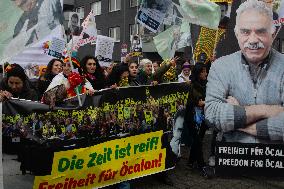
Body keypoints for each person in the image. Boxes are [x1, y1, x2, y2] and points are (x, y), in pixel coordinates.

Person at [205, 0, 284, 143]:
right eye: (245, 32)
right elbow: (212, 115)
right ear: (237, 34)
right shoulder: (220, 67)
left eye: (260, 31)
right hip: (233, 162)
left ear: (272, 35)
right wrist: (266, 111)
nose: (253, 40)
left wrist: (238, 118)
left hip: (276, 162)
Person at [184, 63, 208, 169]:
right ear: (198, 73)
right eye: (203, 71)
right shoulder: (192, 85)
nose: (205, 73)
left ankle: (190, 162)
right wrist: (207, 101)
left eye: (206, 71)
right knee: (197, 141)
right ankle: (202, 165)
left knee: (198, 141)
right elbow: (197, 102)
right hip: (192, 117)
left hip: (202, 117)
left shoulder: (205, 84)